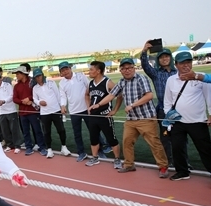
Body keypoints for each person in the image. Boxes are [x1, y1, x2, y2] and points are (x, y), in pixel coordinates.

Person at [90, 58, 169, 177]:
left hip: (146, 118)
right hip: (131, 119)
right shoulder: (122, 82)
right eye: (124, 68)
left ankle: (163, 167)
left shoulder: (141, 78)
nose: (127, 70)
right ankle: (129, 164)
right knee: (127, 142)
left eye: (129, 67)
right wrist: (99, 104)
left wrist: (132, 105)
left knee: (154, 143)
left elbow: (149, 95)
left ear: (134, 68)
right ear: (121, 70)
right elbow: (112, 95)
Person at [164, 52, 211, 180]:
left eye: (188, 62)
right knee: (177, 148)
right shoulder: (171, 80)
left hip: (198, 121)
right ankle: (182, 171)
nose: (186, 65)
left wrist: (210, 114)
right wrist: (169, 117)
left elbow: (209, 98)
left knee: (206, 149)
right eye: (182, 63)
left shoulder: (200, 78)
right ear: (176, 65)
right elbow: (167, 100)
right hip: (178, 121)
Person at [140, 41, 178, 165]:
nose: (164, 59)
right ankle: (168, 161)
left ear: (170, 58)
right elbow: (145, 65)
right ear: (158, 60)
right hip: (163, 109)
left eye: (166, 56)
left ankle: (182, 162)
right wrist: (144, 51)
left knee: (180, 138)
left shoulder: (177, 73)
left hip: (179, 109)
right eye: (161, 57)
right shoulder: (156, 74)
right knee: (165, 137)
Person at [85, 61, 122, 168]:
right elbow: (86, 95)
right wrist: (88, 106)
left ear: (98, 71)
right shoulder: (91, 83)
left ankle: (117, 159)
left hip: (105, 116)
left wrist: (114, 110)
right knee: (93, 138)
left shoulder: (107, 82)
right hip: (93, 116)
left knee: (111, 139)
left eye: (91, 69)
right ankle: (95, 158)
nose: (89, 72)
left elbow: (119, 95)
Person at [32, 68, 69, 158]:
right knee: (46, 132)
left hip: (56, 110)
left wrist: (61, 106)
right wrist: (39, 102)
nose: (38, 78)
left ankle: (64, 147)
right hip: (44, 113)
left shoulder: (51, 83)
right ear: (34, 78)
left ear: (42, 75)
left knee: (61, 130)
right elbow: (34, 99)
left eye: (39, 76)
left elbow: (58, 95)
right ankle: (49, 149)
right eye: (36, 77)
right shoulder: (35, 88)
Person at [12, 64, 47, 156]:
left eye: (18, 74)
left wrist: (30, 98)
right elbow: (14, 99)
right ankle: (28, 147)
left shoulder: (32, 82)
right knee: (25, 131)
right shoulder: (16, 86)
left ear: (23, 74)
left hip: (33, 111)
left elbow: (37, 93)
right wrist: (23, 102)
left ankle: (42, 147)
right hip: (22, 113)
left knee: (37, 130)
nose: (16, 76)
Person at [0, 72, 23, 154]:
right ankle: (10, 145)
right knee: (5, 129)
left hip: (11, 110)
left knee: (14, 129)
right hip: (2, 111)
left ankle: (17, 145)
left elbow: (11, 96)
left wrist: (4, 101)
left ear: (0, 78)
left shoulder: (7, 85)